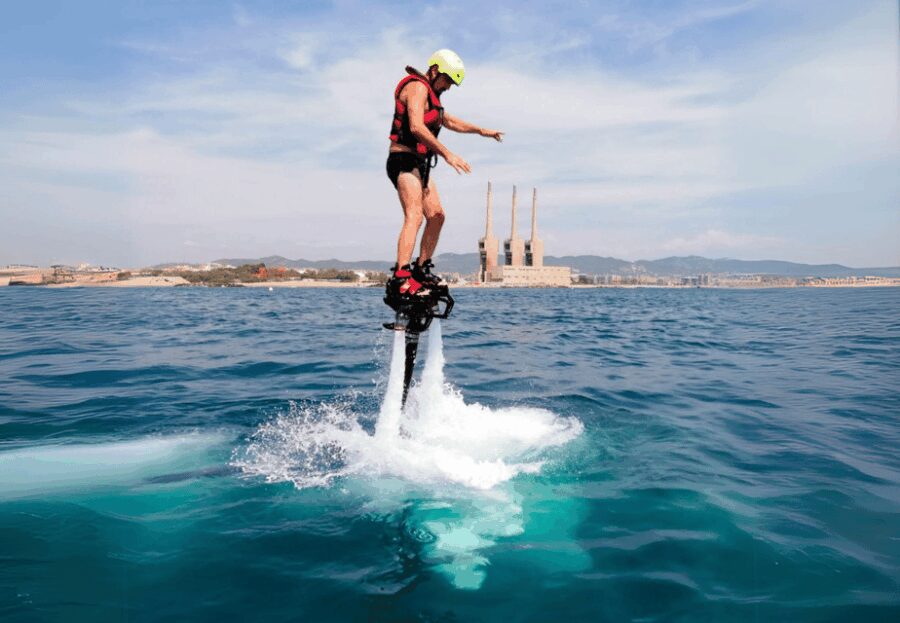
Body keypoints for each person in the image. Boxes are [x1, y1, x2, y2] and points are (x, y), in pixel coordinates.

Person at [386, 49, 503, 296]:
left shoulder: (433, 97)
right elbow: (416, 127)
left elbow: (450, 122)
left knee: (437, 215)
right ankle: (401, 277)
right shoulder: (417, 88)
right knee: (415, 215)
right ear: (436, 70)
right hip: (403, 159)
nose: (449, 87)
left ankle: (421, 269)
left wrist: (482, 131)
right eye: (448, 80)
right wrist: (447, 153)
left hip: (420, 164)